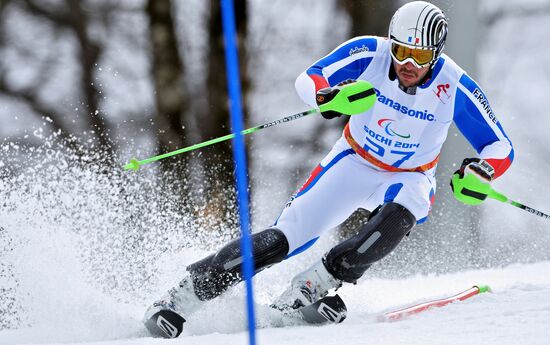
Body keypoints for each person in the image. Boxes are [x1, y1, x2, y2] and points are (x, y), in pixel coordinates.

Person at [144, 1, 513, 337]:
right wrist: (326, 97)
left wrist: (482, 170)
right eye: (401, 51)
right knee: (283, 238)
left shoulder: (455, 84)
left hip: (410, 175)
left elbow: (500, 146)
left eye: (419, 56)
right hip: (353, 160)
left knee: (396, 221)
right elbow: (310, 77)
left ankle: (309, 289)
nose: (408, 65)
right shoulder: (371, 51)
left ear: (436, 54)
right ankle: (183, 295)